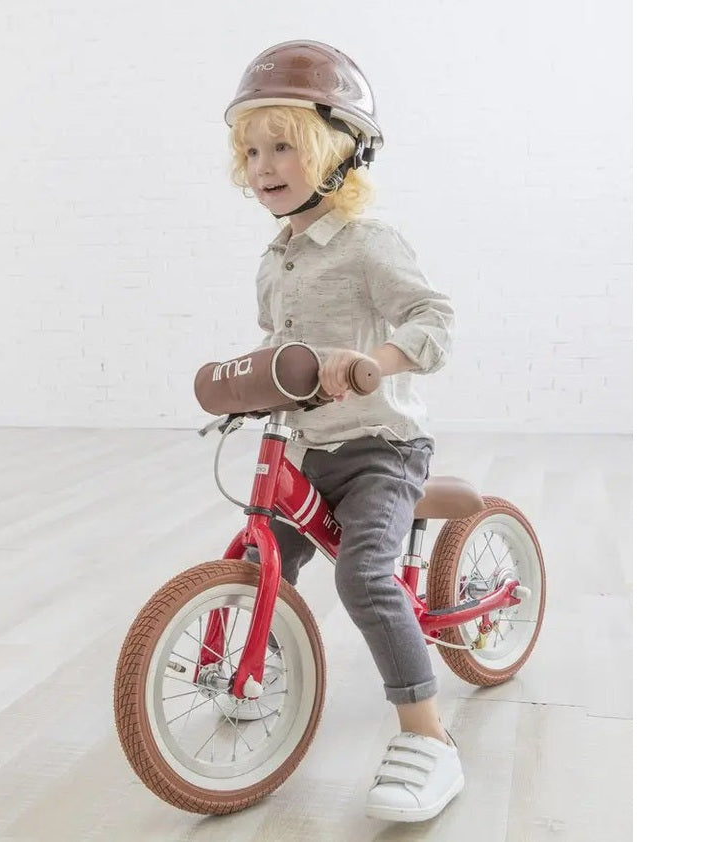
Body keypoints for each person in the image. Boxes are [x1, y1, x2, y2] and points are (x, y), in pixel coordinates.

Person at [224, 40, 461, 823]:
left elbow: (433, 318)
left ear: (338, 151)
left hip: (378, 450)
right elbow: (273, 342)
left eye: (284, 144)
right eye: (251, 148)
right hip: (307, 447)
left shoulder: (368, 243)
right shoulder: (276, 256)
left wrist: (372, 359)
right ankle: (250, 672)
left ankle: (430, 738)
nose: (263, 164)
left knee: (364, 576)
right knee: (262, 555)